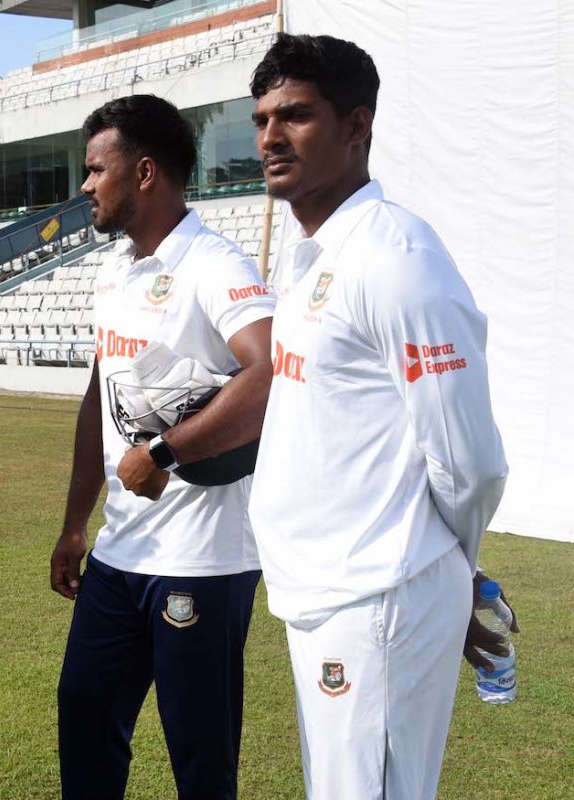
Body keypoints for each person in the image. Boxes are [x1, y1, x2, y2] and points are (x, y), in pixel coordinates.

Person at [246, 33, 511, 800]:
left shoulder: (398, 259)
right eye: (262, 118)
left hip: (377, 596)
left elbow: (471, 461)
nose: (269, 137)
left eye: (294, 116)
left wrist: (449, 572)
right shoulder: (313, 257)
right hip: (327, 592)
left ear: (357, 126)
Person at [50, 95, 276, 800]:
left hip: (203, 565)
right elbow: (98, 401)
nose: (86, 185)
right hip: (120, 556)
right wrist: (75, 522)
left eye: (96, 169)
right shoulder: (114, 270)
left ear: (144, 172)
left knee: (200, 760)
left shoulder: (213, 263)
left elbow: (270, 370)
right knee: (84, 719)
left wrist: (168, 453)